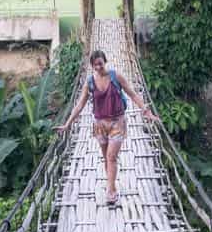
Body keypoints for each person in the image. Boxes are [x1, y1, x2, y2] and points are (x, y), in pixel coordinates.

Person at [55, 50, 159, 205]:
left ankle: (109, 191)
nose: (98, 67)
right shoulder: (89, 82)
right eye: (95, 64)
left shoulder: (116, 77)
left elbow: (132, 94)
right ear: (91, 65)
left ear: (105, 62)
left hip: (117, 122)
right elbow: (79, 105)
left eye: (100, 63)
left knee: (111, 156)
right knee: (106, 158)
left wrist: (146, 111)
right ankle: (112, 185)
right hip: (99, 124)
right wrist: (67, 124)